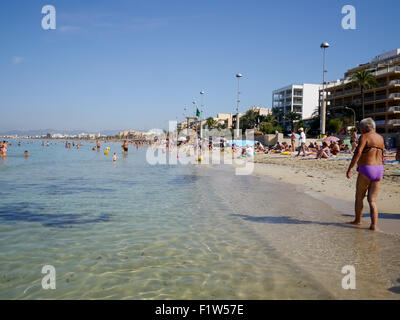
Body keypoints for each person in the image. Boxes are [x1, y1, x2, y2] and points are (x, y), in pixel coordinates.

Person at [346, 118, 385, 231]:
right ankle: (374, 225)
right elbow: (382, 154)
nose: (360, 129)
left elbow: (358, 152)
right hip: (379, 169)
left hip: (367, 169)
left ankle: (357, 221)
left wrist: (350, 168)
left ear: (367, 127)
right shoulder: (380, 138)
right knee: (372, 200)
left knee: (359, 197)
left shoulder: (365, 136)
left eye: (361, 127)